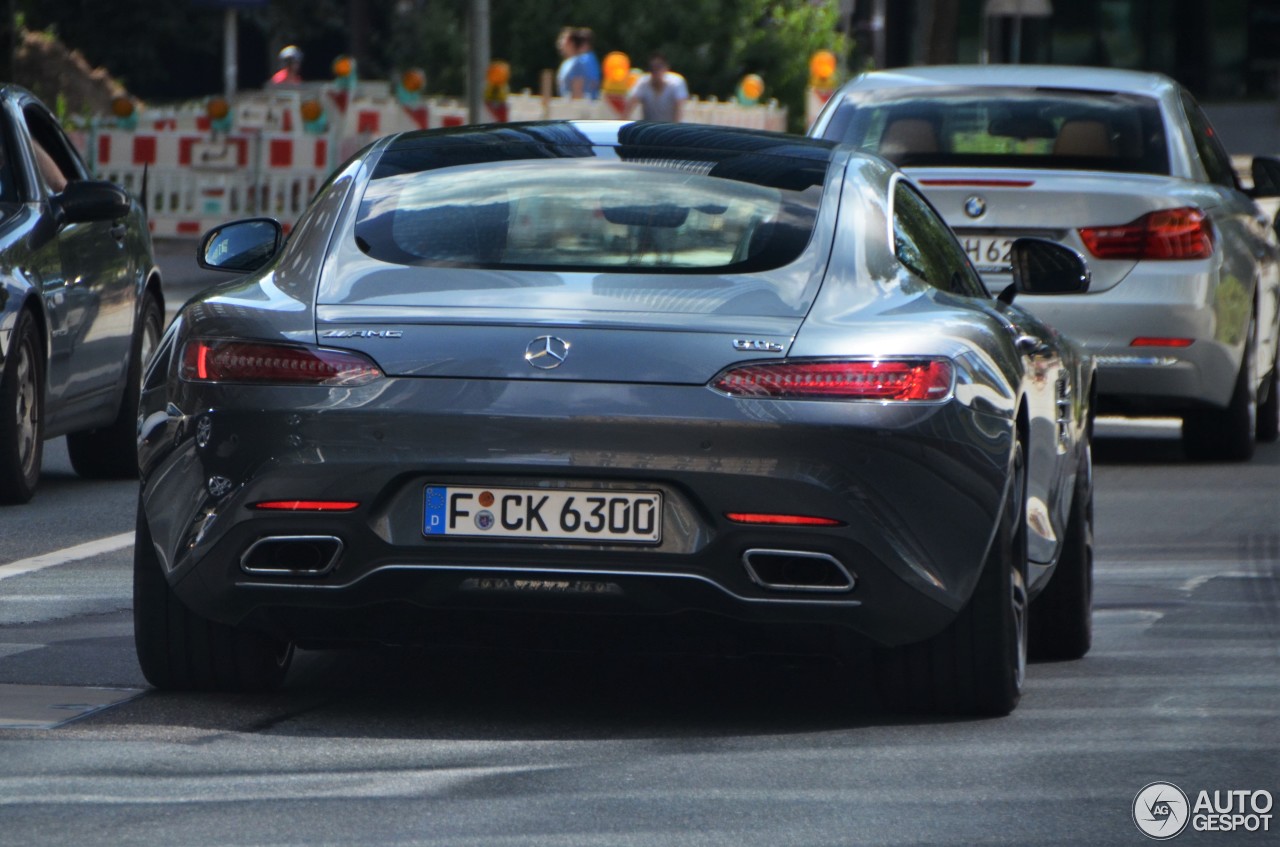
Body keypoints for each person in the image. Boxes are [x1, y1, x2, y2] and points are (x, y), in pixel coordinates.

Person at [626, 53, 688, 122]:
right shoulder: (643, 83)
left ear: (666, 68)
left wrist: (675, 128)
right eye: (652, 68)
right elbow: (630, 105)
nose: (655, 71)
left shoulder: (676, 83)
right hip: (650, 127)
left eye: (658, 67)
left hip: (670, 127)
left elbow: (679, 109)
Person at [564, 28, 601, 100]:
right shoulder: (593, 58)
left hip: (582, 102)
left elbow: (578, 86)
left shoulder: (581, 61)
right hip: (594, 100)